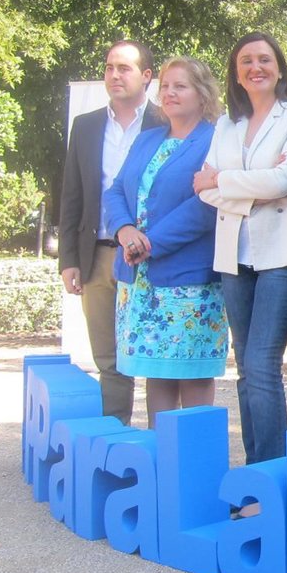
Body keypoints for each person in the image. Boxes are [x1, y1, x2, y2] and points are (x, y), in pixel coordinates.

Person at [194, 32, 287, 466]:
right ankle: (256, 474)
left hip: (286, 254)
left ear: (280, 68)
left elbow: (285, 180)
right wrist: (239, 186)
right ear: (236, 72)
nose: (256, 67)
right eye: (246, 60)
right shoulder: (226, 126)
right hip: (235, 255)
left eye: (265, 59)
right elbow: (203, 189)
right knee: (246, 368)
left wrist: (224, 182)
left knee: (263, 362)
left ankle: (274, 479)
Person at [104, 58, 226, 425]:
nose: (170, 93)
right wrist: (125, 231)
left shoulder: (216, 139)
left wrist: (150, 243)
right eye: (166, 86)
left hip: (188, 279)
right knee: (155, 369)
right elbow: (114, 192)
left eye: (181, 86)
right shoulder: (147, 139)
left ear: (202, 93)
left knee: (191, 372)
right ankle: (162, 459)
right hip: (139, 279)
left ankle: (193, 464)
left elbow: (206, 205)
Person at [58, 39, 162, 424]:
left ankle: (157, 448)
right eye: (109, 67)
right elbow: (71, 195)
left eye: (124, 68)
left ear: (147, 76)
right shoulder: (85, 127)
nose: (114, 75)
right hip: (98, 255)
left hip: (151, 256)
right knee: (109, 359)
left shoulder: (166, 123)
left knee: (154, 356)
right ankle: (115, 444)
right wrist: (68, 259)